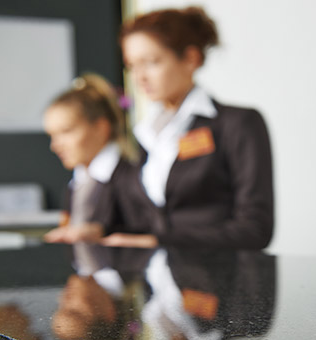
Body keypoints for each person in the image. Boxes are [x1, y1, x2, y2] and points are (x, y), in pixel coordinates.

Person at [99, 6, 274, 250]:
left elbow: (255, 229)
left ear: (190, 59)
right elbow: (143, 220)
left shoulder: (237, 124)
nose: (139, 78)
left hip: (224, 282)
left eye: (151, 62)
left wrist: (159, 241)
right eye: (132, 65)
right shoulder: (145, 134)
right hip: (159, 283)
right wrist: (95, 230)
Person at [42, 73, 139, 244]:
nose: (55, 146)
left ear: (101, 128)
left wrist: (102, 234)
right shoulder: (77, 183)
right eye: (52, 135)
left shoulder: (132, 179)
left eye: (66, 131)